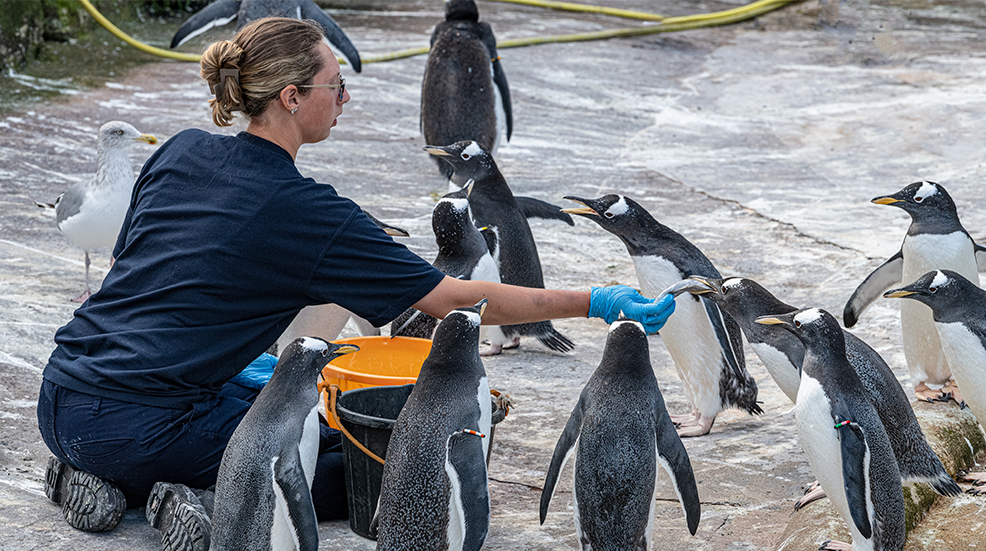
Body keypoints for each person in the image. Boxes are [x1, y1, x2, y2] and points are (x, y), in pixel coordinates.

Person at [35, 17, 675, 551]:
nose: (344, 101)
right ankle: (191, 497)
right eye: (335, 87)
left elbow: (134, 275)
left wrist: (231, 367)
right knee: (375, 468)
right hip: (141, 424)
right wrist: (595, 300)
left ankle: (90, 479)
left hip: (61, 392)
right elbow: (453, 298)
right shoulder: (308, 213)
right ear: (291, 96)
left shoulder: (180, 150)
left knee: (297, 420)